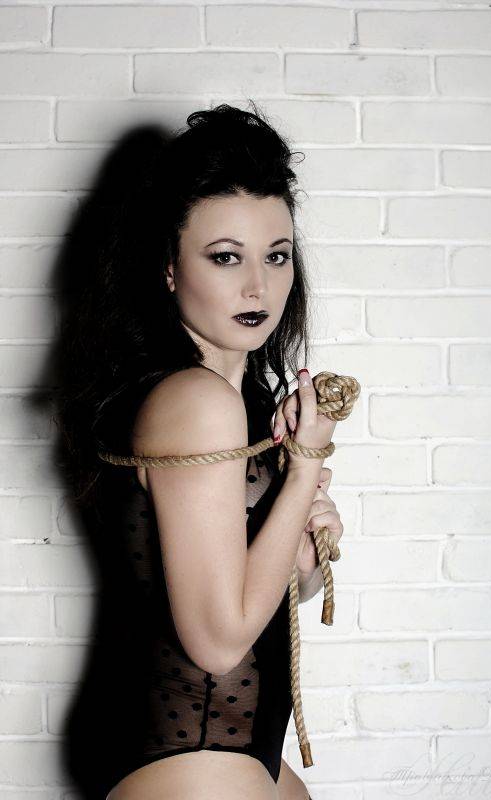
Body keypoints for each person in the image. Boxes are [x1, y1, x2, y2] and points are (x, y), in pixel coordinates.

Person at [52, 102, 344, 800]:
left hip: (225, 748)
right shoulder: (195, 402)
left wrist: (302, 553)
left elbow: (259, 594)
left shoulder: (234, 402)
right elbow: (218, 643)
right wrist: (303, 471)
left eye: (276, 255)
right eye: (225, 257)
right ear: (168, 268)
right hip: (192, 749)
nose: (258, 285)